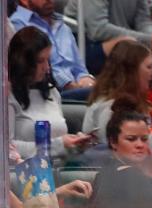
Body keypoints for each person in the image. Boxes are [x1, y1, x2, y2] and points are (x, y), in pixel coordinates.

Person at [83, 40, 152, 151]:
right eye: (149, 67)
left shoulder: (136, 100)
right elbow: (116, 150)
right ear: (132, 71)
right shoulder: (110, 106)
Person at [8, 26, 94, 161]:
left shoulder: (51, 91)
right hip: (25, 173)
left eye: (48, 60)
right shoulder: (8, 96)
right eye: (40, 61)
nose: (47, 68)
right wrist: (59, 145)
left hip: (59, 168)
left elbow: (60, 144)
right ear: (22, 62)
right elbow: (7, 149)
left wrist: (74, 144)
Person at [85, 108, 152, 208]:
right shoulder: (133, 175)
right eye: (131, 139)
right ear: (113, 142)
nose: (140, 145)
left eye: (144, 139)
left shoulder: (104, 172)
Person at [64, 0, 152, 75]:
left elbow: (142, 22)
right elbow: (98, 30)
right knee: (130, 45)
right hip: (84, 46)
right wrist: (147, 40)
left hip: (124, 41)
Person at [9, 0, 95, 100]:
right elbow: (32, 68)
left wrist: (86, 79)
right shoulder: (18, 24)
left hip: (77, 90)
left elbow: (80, 69)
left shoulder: (63, 26)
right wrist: (67, 83)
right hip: (48, 93)